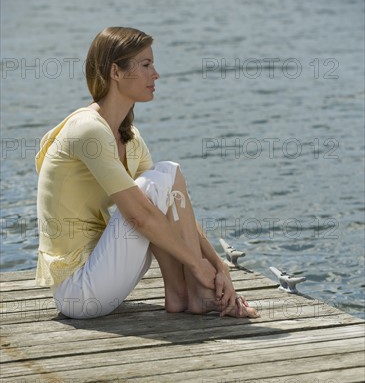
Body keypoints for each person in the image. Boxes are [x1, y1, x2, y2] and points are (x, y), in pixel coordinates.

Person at [35, 27, 259, 320]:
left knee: (165, 185)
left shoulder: (130, 138)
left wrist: (218, 265)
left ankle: (182, 294)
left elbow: (172, 205)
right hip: (78, 290)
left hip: (106, 276)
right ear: (116, 72)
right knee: (164, 176)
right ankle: (194, 292)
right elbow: (138, 214)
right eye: (145, 65)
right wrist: (197, 264)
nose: (156, 74)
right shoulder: (88, 130)